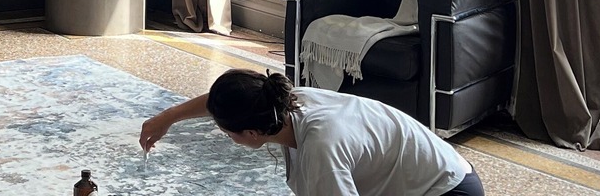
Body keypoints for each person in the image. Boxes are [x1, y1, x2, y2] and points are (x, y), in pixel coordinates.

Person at [139, 69, 483, 196]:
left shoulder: (322, 148)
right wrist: (168, 117)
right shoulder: (286, 100)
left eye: (228, 132)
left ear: (252, 133)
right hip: (444, 174)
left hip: (447, 190)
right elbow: (230, 96)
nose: (227, 137)